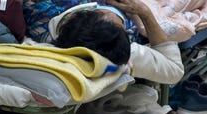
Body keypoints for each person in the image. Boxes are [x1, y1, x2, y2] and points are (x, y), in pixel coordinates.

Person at [24, 0, 184, 84]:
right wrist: (144, 12)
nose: (112, 13)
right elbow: (174, 69)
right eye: (119, 22)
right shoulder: (118, 52)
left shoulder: (41, 14)